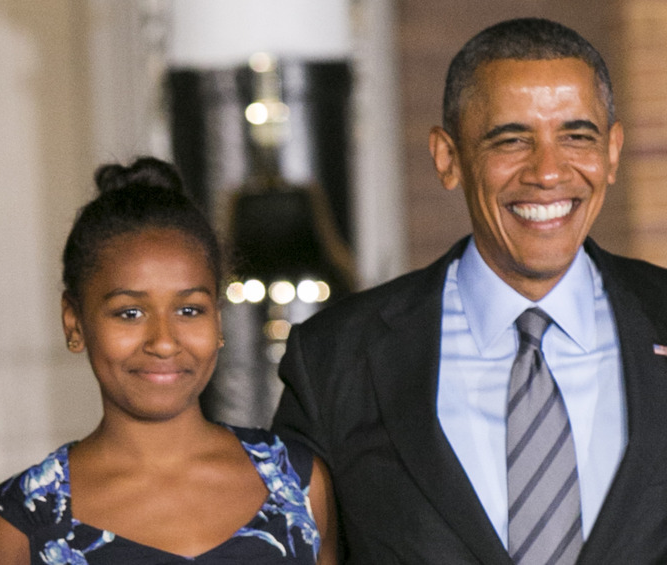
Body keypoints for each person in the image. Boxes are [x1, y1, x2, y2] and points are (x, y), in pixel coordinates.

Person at [272, 17, 667, 564]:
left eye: (577, 136)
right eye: (511, 140)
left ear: (614, 152)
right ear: (448, 158)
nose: (548, 172)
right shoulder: (335, 360)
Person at [0, 157, 337, 564]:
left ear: (218, 321)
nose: (164, 342)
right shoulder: (23, 521)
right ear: (74, 322)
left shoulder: (299, 484)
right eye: (129, 313)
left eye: (189, 310)